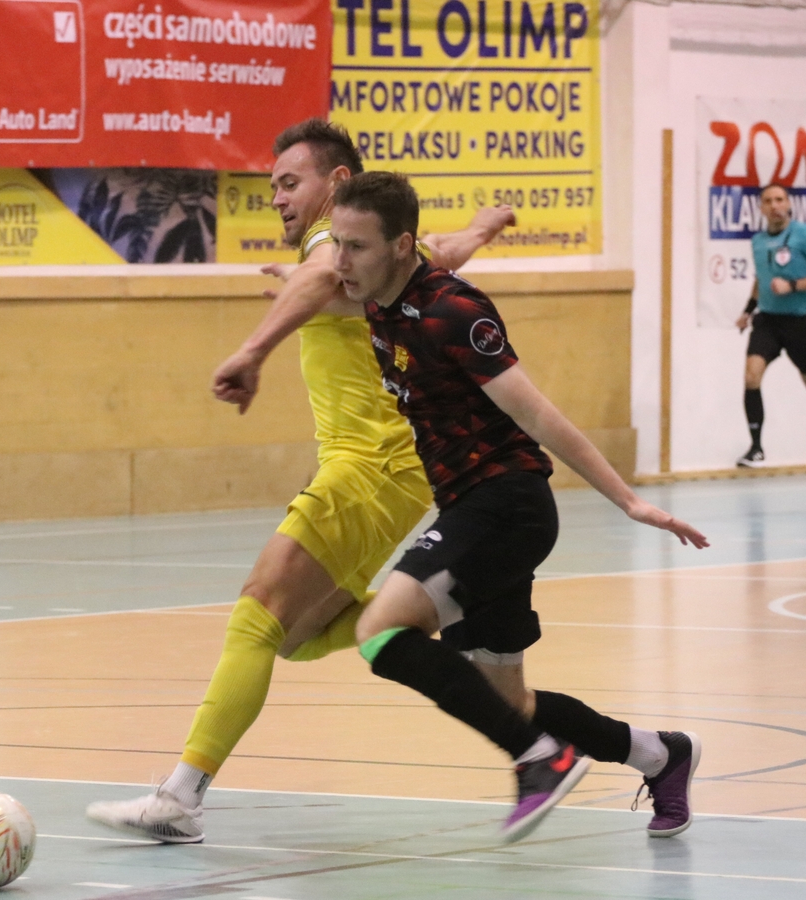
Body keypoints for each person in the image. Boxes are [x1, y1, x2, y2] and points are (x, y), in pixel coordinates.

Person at [85, 119, 515, 842]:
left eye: (290, 182)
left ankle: (180, 797)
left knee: (258, 613)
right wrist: (483, 227)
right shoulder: (383, 252)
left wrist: (253, 351)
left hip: (370, 465)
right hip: (396, 471)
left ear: (337, 182)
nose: (279, 198)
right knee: (295, 638)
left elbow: (318, 277)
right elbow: (444, 252)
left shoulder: (328, 242)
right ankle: (447, 602)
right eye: (274, 187)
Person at [329, 170, 710, 843]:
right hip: (471, 507)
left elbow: (538, 414)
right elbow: (447, 246)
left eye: (354, 246)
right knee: (509, 703)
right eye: (336, 244)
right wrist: (484, 225)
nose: (339, 261)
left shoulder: (454, 311)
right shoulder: (381, 295)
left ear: (400, 246)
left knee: (380, 634)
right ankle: (659, 754)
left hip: (505, 505)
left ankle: (539, 760)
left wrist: (628, 501)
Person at [735, 184, 806, 472]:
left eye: (779, 199)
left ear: (789, 204)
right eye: (768, 201)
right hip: (768, 321)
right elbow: (761, 279)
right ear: (761, 208)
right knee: (751, 376)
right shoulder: (758, 241)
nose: (774, 205)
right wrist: (747, 311)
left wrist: (793, 285)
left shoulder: (805, 236)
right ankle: (756, 448)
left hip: (801, 323)